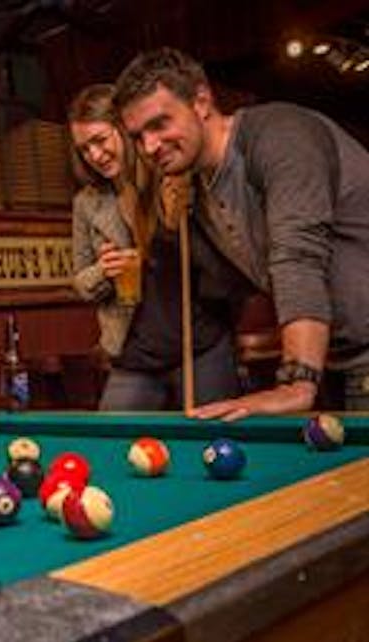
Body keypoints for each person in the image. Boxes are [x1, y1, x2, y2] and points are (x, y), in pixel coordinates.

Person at [115, 47, 369, 419]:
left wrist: (297, 380)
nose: (149, 147)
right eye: (138, 136)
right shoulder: (196, 193)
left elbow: (297, 255)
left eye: (159, 124)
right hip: (335, 360)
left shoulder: (280, 135)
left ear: (201, 101)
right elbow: (222, 288)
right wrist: (172, 232)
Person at [68, 84, 241, 410]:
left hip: (199, 346)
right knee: (115, 445)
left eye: (100, 140)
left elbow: (225, 260)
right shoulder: (87, 203)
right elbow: (80, 283)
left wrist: (177, 224)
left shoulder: (174, 178)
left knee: (210, 447)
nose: (94, 156)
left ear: (124, 128)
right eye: (84, 149)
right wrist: (104, 271)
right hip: (133, 354)